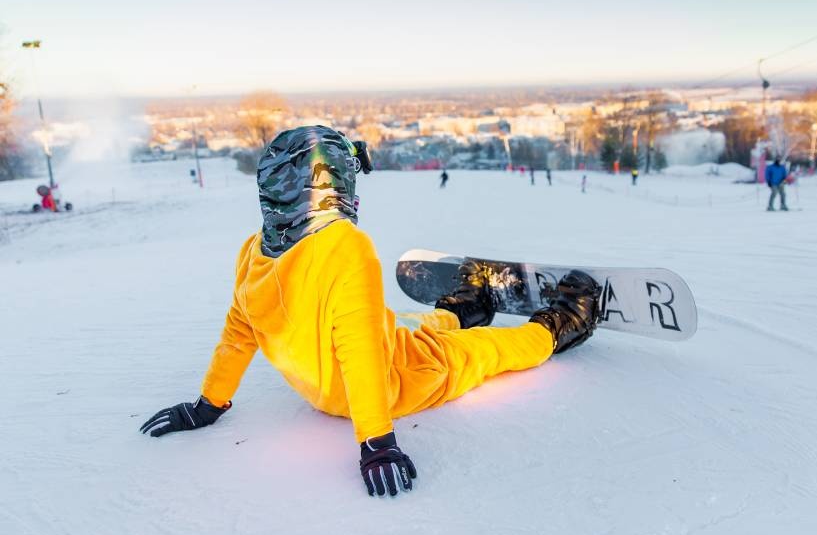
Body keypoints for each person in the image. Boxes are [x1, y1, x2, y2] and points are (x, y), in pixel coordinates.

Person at [139, 126, 601, 498]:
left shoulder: (253, 252)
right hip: (395, 380)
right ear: (330, 184)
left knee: (405, 324)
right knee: (480, 353)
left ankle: (463, 308)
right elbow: (361, 351)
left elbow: (239, 334)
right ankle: (562, 325)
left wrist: (208, 404)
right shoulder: (345, 247)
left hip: (326, 386)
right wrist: (377, 444)